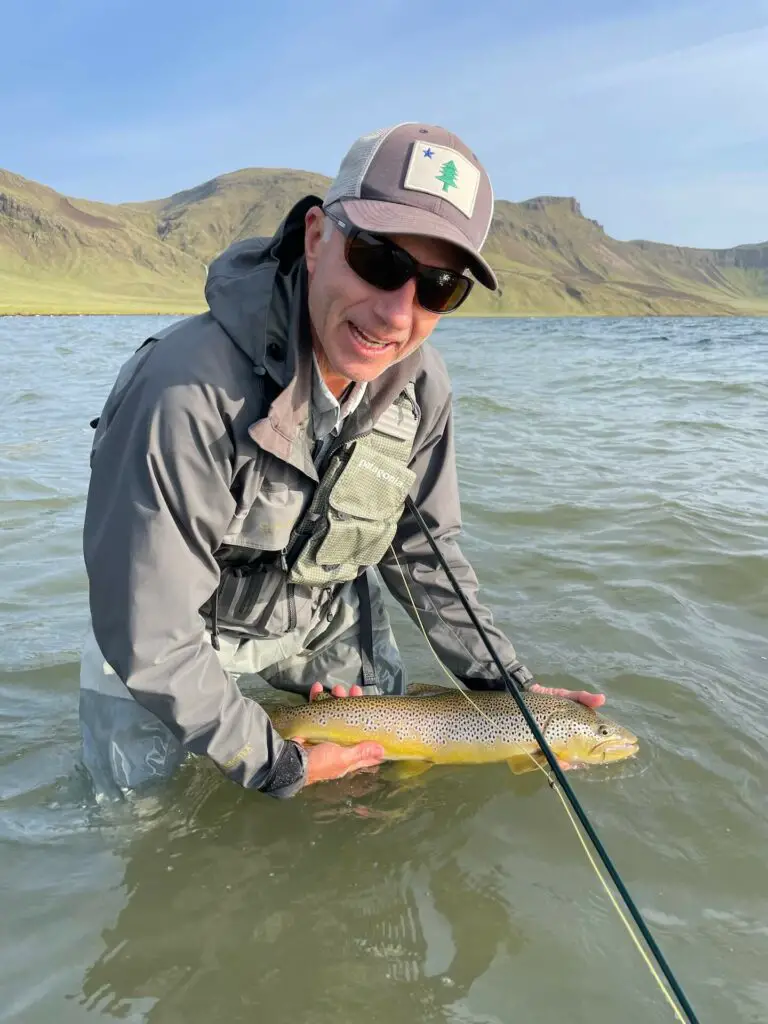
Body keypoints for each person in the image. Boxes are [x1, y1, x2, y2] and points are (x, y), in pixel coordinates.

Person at [79, 121, 605, 802]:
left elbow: (424, 552)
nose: (396, 314)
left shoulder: (424, 388)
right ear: (318, 237)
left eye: (439, 286)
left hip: (320, 617)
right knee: (139, 825)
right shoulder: (182, 389)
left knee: (371, 806)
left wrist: (507, 690)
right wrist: (274, 760)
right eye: (380, 262)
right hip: (173, 631)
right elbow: (147, 629)